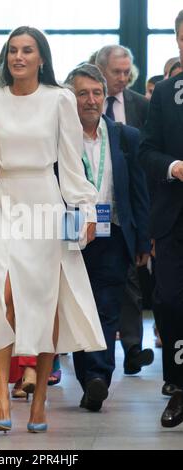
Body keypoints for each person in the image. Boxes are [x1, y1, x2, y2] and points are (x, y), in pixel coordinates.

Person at [0, 26, 106, 433]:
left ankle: (40, 401)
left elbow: (71, 161)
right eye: (13, 51)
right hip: (6, 203)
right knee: (2, 296)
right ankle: (0, 398)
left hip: (46, 205)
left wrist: (87, 212)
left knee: (45, 304)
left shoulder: (60, 99)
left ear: (41, 57)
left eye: (27, 50)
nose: (19, 57)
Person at [67, 64, 150, 411]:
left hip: (113, 233)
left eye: (96, 93)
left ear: (105, 96)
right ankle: (88, 376)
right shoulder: (61, 138)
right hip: (71, 233)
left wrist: (143, 240)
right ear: (70, 99)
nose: (90, 100)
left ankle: (98, 376)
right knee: (77, 308)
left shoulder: (124, 136)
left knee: (107, 308)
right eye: (82, 93)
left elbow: (139, 192)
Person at [96, 45, 154, 376]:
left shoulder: (139, 106)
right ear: (100, 70)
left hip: (127, 206)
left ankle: (132, 347)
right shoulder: (79, 102)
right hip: (90, 206)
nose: (123, 78)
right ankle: (95, 354)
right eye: (116, 72)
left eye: (126, 72)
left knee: (131, 279)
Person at [139, 10, 183, 428]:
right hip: (174, 219)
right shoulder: (166, 92)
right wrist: (173, 166)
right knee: (170, 301)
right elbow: (147, 151)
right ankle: (177, 387)